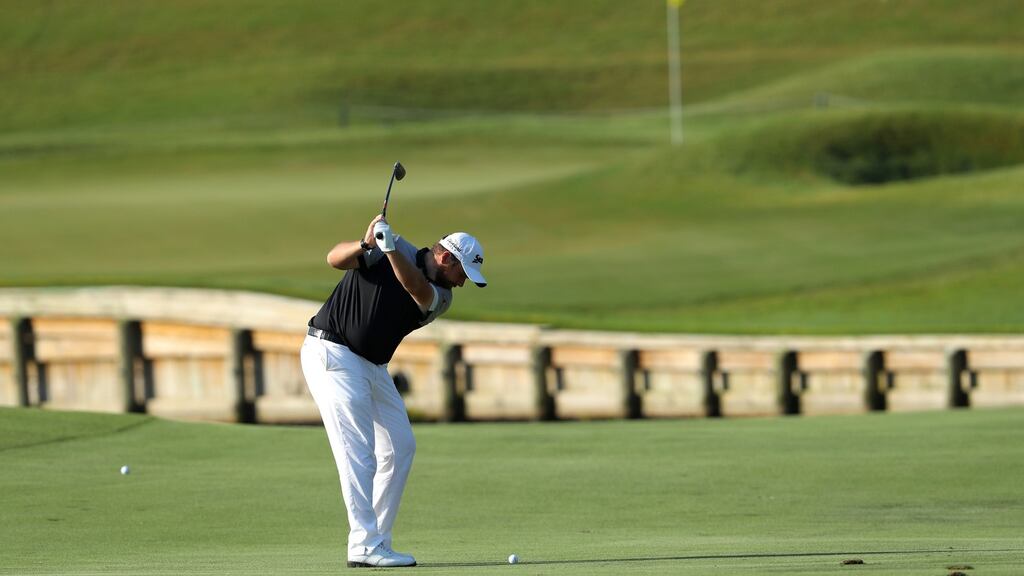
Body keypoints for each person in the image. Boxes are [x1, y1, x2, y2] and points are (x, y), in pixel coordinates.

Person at [300, 214, 487, 568]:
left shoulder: (441, 297)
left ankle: (378, 540)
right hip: (333, 354)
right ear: (445, 257)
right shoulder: (392, 246)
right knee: (358, 451)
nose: (462, 283)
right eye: (462, 272)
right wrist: (366, 244)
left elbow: (416, 287)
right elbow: (334, 259)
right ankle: (364, 546)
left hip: (372, 366)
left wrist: (387, 248)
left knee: (401, 446)